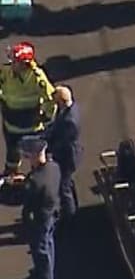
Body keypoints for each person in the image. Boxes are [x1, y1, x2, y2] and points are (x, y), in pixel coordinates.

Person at [0, 43, 56, 178]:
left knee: (36, 155)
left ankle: (40, 178)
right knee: (12, 153)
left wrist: (47, 117)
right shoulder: (6, 72)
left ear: (24, 64)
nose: (12, 63)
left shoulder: (38, 78)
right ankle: (11, 175)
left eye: (15, 61)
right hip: (11, 125)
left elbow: (50, 99)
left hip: (32, 126)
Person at [20, 136, 60, 279]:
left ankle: (45, 276)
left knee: (40, 250)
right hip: (52, 213)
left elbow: (25, 199)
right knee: (48, 243)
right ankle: (45, 272)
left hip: (40, 219)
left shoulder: (34, 181)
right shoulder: (54, 167)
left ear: (35, 156)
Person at [45, 85, 81, 221]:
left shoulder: (69, 121)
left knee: (63, 187)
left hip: (68, 156)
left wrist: (48, 150)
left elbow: (63, 142)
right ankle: (74, 207)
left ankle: (70, 216)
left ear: (61, 100)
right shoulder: (70, 109)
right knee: (68, 182)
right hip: (68, 154)